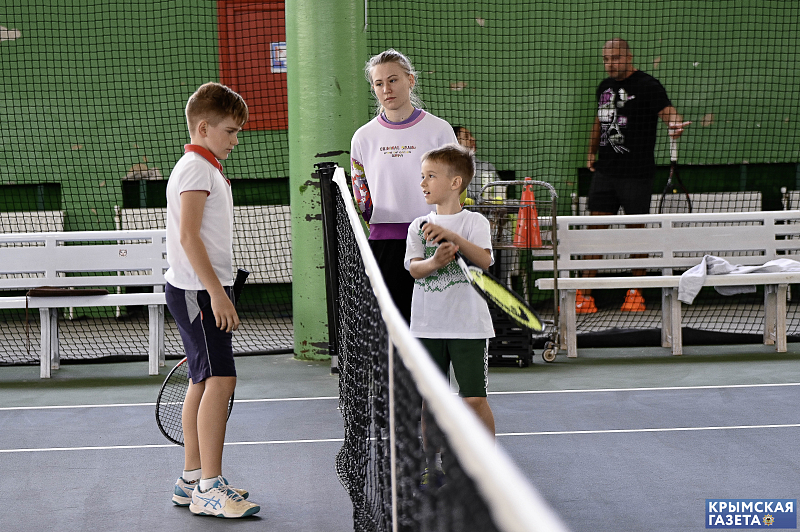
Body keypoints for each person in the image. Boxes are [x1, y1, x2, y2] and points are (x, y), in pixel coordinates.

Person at [164, 82, 260, 518]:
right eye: (230, 131)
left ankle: (191, 479)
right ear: (203, 127)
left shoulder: (204, 166)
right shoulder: (196, 170)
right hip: (199, 292)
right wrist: (218, 295)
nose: (235, 140)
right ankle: (209, 487)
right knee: (221, 380)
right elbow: (189, 237)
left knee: (202, 381)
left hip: (199, 289)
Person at [404, 143, 496, 485]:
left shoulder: (475, 221)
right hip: (427, 327)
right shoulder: (418, 226)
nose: (423, 183)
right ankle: (433, 464)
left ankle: (487, 466)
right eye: (422, 176)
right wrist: (435, 261)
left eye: (431, 176)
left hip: (469, 327)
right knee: (432, 400)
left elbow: (485, 260)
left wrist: (453, 238)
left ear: (455, 182)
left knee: (473, 399)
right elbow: (414, 269)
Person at [580, 38, 691, 314]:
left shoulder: (648, 85)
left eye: (616, 58)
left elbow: (669, 113)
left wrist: (676, 125)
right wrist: (591, 152)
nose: (610, 63)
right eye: (606, 59)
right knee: (594, 233)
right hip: (605, 172)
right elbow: (600, 120)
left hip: (636, 174)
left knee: (636, 235)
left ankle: (635, 293)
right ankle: (584, 295)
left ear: (629, 57)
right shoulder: (604, 87)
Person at [351, 49, 458, 323]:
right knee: (390, 328)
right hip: (384, 246)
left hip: (433, 242)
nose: (386, 89)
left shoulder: (440, 131)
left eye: (393, 80)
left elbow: (455, 189)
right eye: (378, 83)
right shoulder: (362, 138)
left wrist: (443, 231)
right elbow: (361, 196)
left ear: (410, 80)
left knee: (434, 325)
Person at [452, 126, 502, 202]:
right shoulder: (449, 169)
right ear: (455, 142)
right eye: (466, 137)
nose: (473, 139)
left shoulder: (486, 167)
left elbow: (499, 193)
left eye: (471, 136)